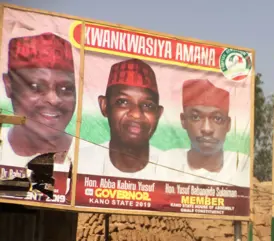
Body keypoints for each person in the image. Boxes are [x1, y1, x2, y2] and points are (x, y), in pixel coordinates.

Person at [0, 32, 75, 200]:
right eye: (35, 87)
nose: (54, 100)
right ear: (9, 85)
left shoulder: (89, 158)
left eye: (66, 89)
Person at [78, 58, 165, 178]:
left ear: (158, 114)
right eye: (123, 102)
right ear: (104, 106)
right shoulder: (80, 164)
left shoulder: (171, 170)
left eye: (148, 105)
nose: (136, 114)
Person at [164, 79, 249, 187]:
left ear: (228, 125)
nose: (207, 129)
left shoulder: (242, 167)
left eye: (217, 118)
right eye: (196, 117)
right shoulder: (165, 163)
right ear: (183, 120)